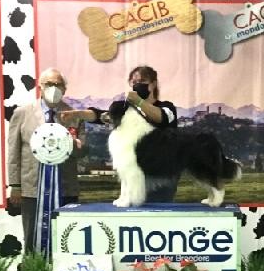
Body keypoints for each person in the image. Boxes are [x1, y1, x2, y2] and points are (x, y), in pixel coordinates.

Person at [62, 65, 179, 202]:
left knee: (159, 207)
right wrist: (78, 113)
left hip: (160, 174)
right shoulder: (126, 109)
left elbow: (162, 117)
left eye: (142, 81)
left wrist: (139, 102)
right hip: (134, 171)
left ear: (153, 84)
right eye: (134, 82)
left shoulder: (167, 107)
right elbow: (101, 115)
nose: (137, 85)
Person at [7, 68, 85, 251]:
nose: (54, 88)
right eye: (49, 84)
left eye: (58, 84)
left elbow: (82, 152)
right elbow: (13, 151)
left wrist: (73, 144)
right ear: (40, 87)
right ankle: (32, 267)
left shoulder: (74, 114)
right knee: (32, 236)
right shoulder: (22, 113)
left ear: (64, 89)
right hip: (32, 188)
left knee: (66, 238)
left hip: (65, 188)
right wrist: (15, 185)